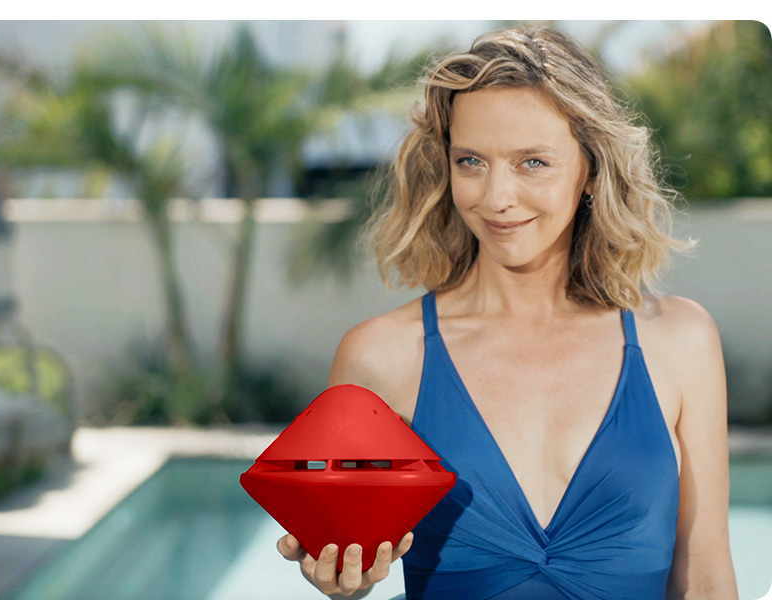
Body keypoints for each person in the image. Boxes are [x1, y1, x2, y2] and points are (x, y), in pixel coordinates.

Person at [277, 26, 739, 599]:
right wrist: (341, 577)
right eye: (471, 160)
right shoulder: (379, 357)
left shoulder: (680, 341)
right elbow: (348, 558)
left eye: (533, 163)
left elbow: (707, 578)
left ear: (590, 170)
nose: (496, 197)